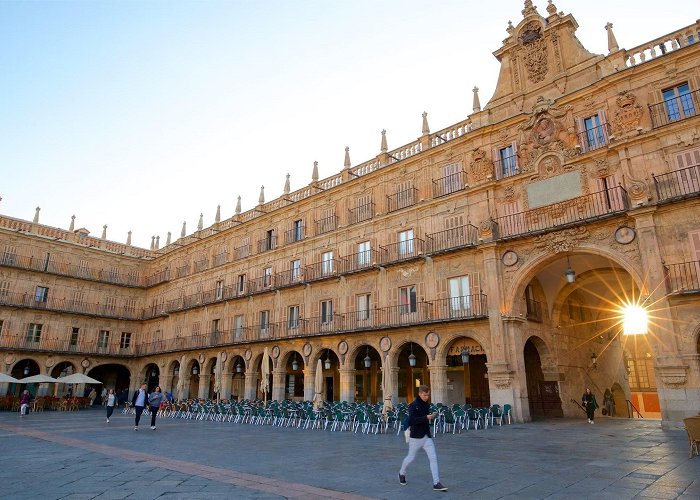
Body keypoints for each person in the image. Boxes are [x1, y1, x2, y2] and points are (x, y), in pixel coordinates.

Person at [398, 385, 447, 492]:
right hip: (416, 436)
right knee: (411, 457)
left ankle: (436, 483)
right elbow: (412, 420)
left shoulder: (426, 404)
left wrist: (430, 416)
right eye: (425, 395)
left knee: (433, 458)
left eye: (428, 395)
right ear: (420, 394)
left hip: (426, 436)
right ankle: (402, 473)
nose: (426, 397)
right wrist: (426, 417)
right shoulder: (413, 405)